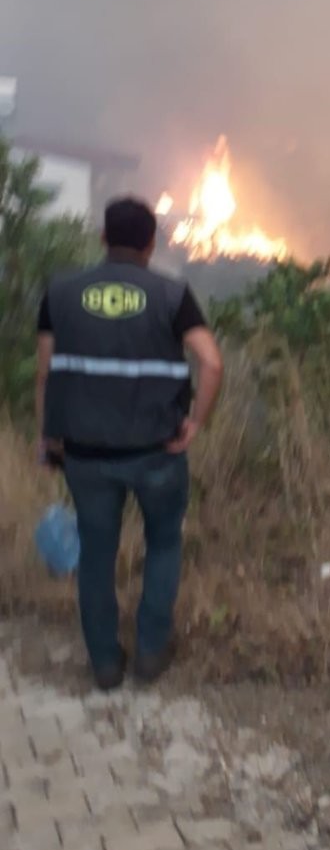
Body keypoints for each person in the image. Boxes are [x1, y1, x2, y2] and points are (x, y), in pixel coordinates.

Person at [36, 196, 224, 691]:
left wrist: (48, 438)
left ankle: (104, 663)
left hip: (86, 454)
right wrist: (195, 424)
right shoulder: (171, 294)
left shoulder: (60, 292)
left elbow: (45, 372)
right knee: (163, 543)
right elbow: (212, 363)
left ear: (102, 239)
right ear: (150, 243)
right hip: (156, 453)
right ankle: (149, 652)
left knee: (97, 553)